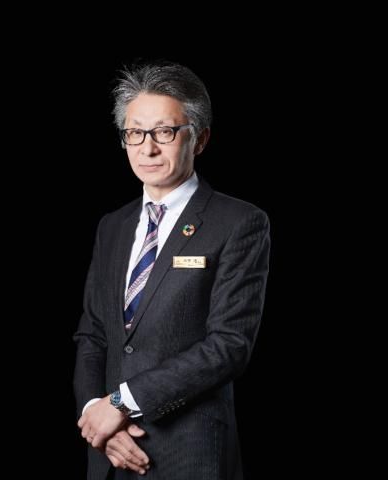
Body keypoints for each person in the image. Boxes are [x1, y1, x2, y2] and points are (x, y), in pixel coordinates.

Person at [73, 60, 271, 479]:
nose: (147, 148)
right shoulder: (113, 226)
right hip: (109, 453)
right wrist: (96, 415)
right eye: (135, 132)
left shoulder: (238, 223)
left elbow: (229, 345)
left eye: (164, 132)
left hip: (189, 455)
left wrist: (120, 403)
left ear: (199, 139)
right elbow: (93, 334)